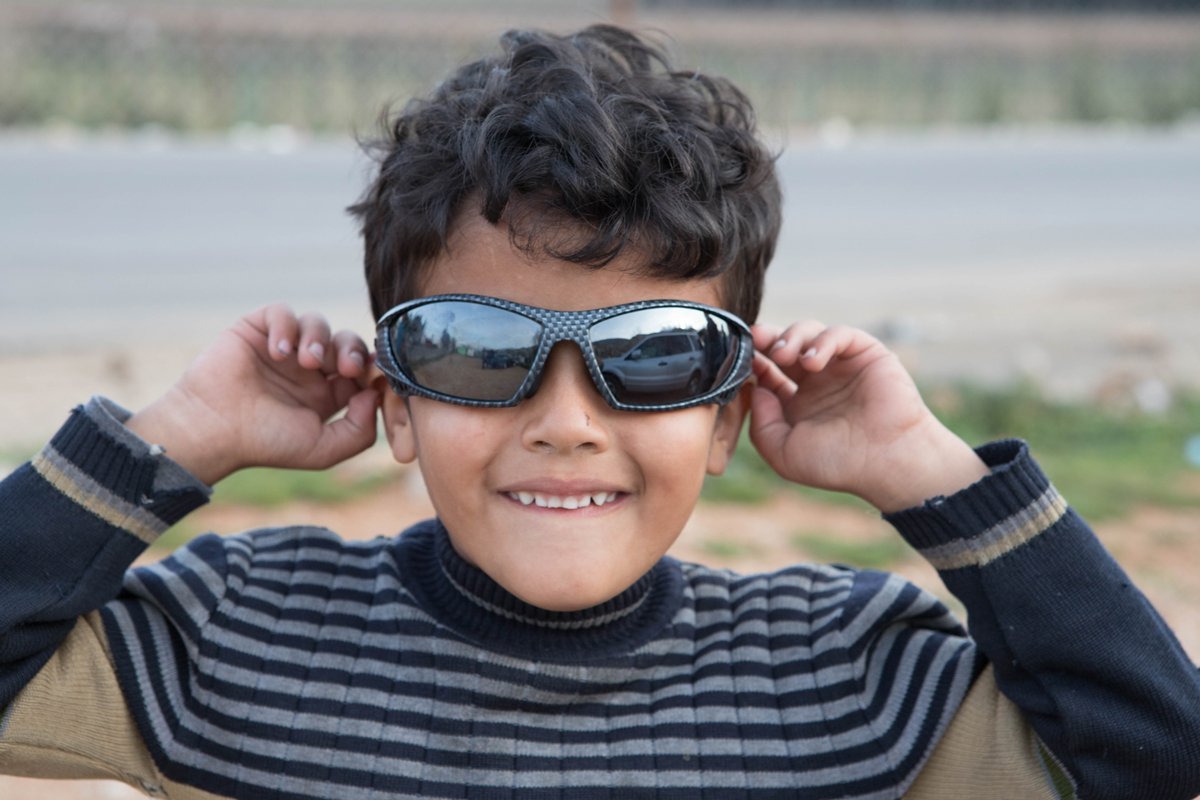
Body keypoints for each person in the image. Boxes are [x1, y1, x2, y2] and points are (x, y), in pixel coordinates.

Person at [1, 24, 1198, 800]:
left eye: (658, 355)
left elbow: (1159, 752)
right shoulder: (239, 642)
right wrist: (170, 438)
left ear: (732, 414)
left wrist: (928, 471)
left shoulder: (847, 674)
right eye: (475, 351)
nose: (565, 418)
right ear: (397, 400)